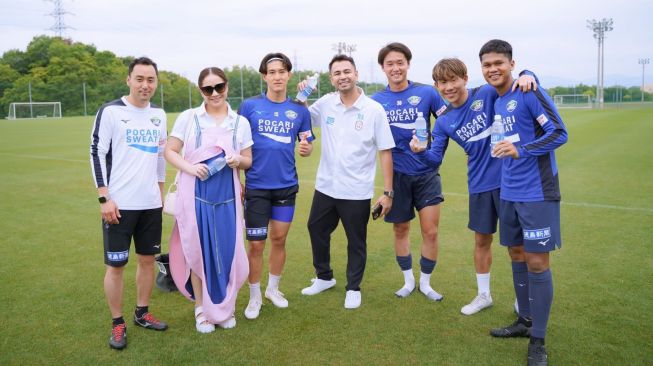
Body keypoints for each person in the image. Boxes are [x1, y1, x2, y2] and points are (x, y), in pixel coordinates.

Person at [409, 58, 536, 315]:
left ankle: (524, 298)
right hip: (478, 185)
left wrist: (527, 73)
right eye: (442, 82)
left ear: (465, 78)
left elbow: (511, 80)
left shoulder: (487, 93)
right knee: (481, 240)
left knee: (516, 245)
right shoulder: (444, 122)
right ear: (436, 86)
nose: (449, 87)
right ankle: (483, 295)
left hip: (508, 183)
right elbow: (435, 159)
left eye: (453, 80)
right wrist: (421, 151)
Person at [480, 39, 567, 366]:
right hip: (509, 192)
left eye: (498, 63)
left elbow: (559, 133)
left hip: (538, 193)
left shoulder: (528, 92)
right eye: (487, 65)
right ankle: (524, 321)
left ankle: (539, 341)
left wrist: (522, 150)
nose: (492, 69)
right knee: (516, 253)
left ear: (512, 64)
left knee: (537, 263)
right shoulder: (498, 99)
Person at [300, 54, 395, 309]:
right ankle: (324, 277)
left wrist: (388, 192)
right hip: (326, 186)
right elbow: (301, 118)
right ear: (331, 79)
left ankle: (353, 287)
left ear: (356, 74)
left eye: (346, 71)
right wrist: (303, 95)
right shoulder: (326, 103)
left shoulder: (373, 110)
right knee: (316, 229)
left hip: (356, 190)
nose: (342, 76)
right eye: (337, 73)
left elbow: (385, 151)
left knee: (356, 241)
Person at [165, 67, 252, 333]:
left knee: (228, 251)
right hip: (195, 195)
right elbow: (170, 151)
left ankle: (225, 308)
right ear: (200, 90)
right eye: (208, 89)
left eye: (219, 87)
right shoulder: (189, 118)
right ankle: (201, 310)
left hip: (228, 197)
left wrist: (237, 160)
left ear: (227, 87)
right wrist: (190, 168)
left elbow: (248, 160)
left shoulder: (239, 122)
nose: (215, 94)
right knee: (198, 251)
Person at [90, 56, 168, 350]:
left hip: (150, 204)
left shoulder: (159, 115)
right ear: (129, 80)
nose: (145, 85)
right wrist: (104, 197)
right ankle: (117, 321)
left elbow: (160, 157)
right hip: (118, 206)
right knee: (117, 265)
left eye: (150, 80)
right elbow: (96, 153)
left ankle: (142, 312)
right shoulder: (110, 112)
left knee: (147, 261)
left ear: (155, 83)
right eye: (140, 79)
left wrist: (159, 194)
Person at [237, 52, 314, 320]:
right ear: (265, 77)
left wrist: (306, 148)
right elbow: (238, 145)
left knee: (279, 239)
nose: (277, 76)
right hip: (256, 187)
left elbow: (307, 143)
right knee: (256, 245)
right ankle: (254, 295)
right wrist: (239, 182)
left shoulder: (300, 110)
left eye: (282, 71)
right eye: (272, 72)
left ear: (289, 75)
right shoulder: (249, 107)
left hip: (286, 186)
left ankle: (273, 289)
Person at [370, 42, 448, 301]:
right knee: (400, 230)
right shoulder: (376, 101)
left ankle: (426, 283)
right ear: (383, 68)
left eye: (400, 62)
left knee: (431, 231)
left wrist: (433, 150)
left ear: (408, 64)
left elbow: (447, 122)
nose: (395, 68)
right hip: (398, 176)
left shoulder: (427, 93)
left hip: (426, 174)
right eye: (390, 64)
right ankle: (407, 281)